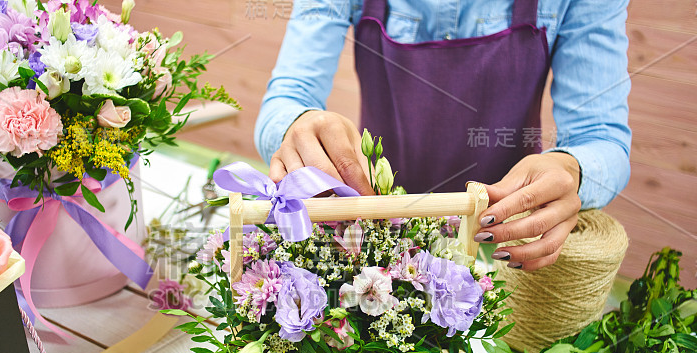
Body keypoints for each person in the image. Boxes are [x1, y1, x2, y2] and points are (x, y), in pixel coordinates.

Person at [255, 0, 631, 271]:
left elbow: (601, 137)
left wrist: (570, 168)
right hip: (376, 252)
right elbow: (288, 96)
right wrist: (298, 125)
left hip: (505, 255)